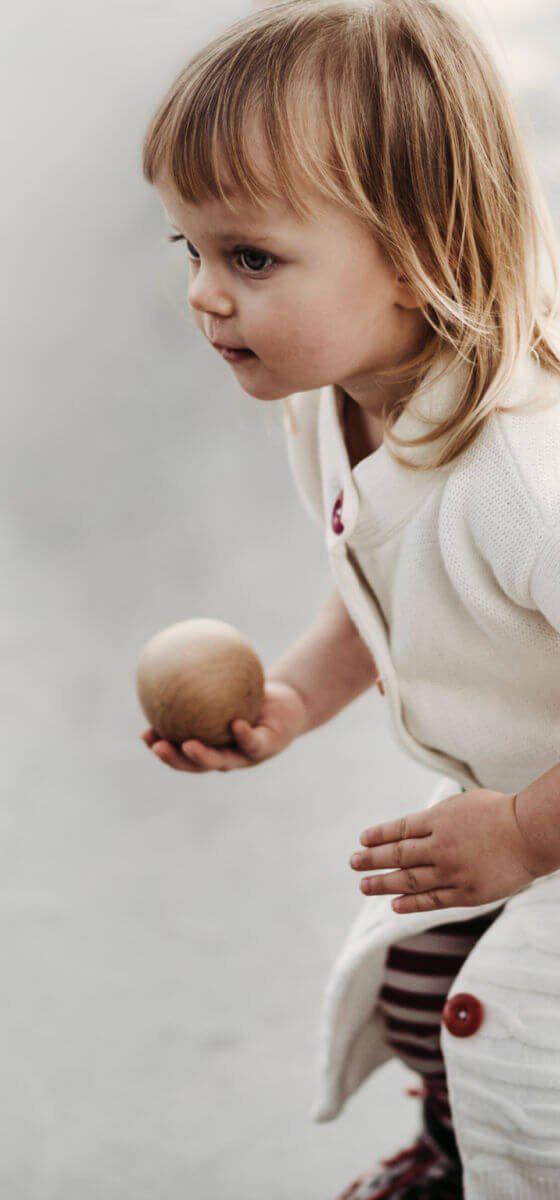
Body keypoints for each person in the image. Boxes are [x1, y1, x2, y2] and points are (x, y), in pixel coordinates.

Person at [136, 2, 560, 1196]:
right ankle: (452, 1152)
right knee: (429, 990)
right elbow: (380, 588)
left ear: (419, 257)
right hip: (518, 789)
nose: (203, 297)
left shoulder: (526, 483)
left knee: (535, 1057)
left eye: (250, 257)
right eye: (191, 250)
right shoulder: (331, 403)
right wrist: (288, 698)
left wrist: (528, 834)